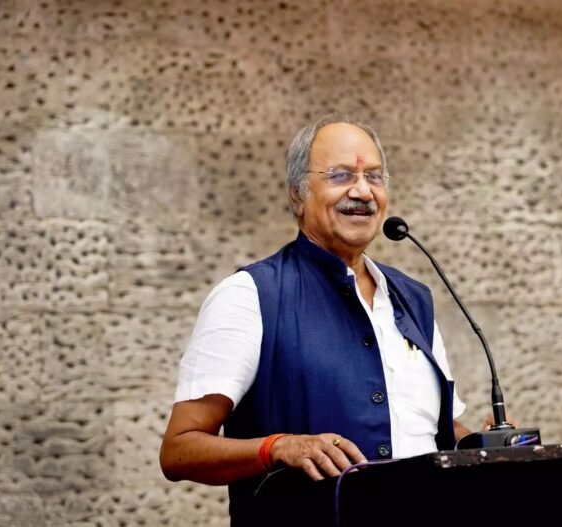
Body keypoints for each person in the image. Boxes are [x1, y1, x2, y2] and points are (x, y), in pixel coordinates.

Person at [159, 115, 489, 524]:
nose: (363, 191)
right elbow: (180, 450)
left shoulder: (413, 299)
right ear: (298, 195)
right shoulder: (250, 295)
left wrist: (486, 446)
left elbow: (431, 428)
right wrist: (277, 447)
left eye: (374, 176)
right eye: (341, 175)